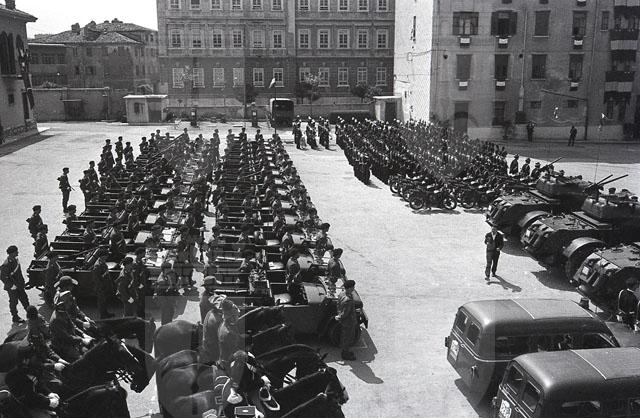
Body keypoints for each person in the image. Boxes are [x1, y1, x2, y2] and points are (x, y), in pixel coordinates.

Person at [5, 344, 62, 415]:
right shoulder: (16, 376)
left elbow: (37, 383)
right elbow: (29, 396)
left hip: (36, 401)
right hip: (27, 407)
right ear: (25, 360)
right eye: (31, 358)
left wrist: (49, 393)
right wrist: (48, 402)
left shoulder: (27, 369)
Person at [1, 245, 30, 323]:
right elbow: (3, 277)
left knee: (25, 299)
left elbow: (19, 273)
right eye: (16, 252)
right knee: (14, 302)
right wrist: (11, 285)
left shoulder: (15, 260)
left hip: (19, 285)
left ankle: (30, 315)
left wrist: (22, 282)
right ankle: (15, 317)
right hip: (12, 287)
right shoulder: (6, 264)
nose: (18, 253)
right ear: (12, 253)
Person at [335, 279, 358, 360]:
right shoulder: (348, 300)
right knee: (348, 338)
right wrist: (340, 316)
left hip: (344, 321)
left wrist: (338, 315)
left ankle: (345, 351)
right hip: (349, 322)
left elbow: (338, 305)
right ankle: (345, 354)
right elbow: (345, 313)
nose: (354, 288)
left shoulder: (342, 294)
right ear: (349, 288)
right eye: (353, 287)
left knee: (344, 336)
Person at [217, 298, 242, 371]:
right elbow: (234, 351)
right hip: (228, 363)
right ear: (232, 316)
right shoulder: (228, 333)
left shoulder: (225, 324)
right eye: (236, 315)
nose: (238, 315)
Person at [93, 251, 115, 319]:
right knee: (101, 301)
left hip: (105, 285)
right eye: (106, 255)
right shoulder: (97, 265)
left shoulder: (103, 262)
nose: (107, 256)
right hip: (101, 287)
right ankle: (102, 315)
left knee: (105, 300)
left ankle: (105, 313)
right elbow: (96, 278)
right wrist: (101, 287)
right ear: (102, 256)